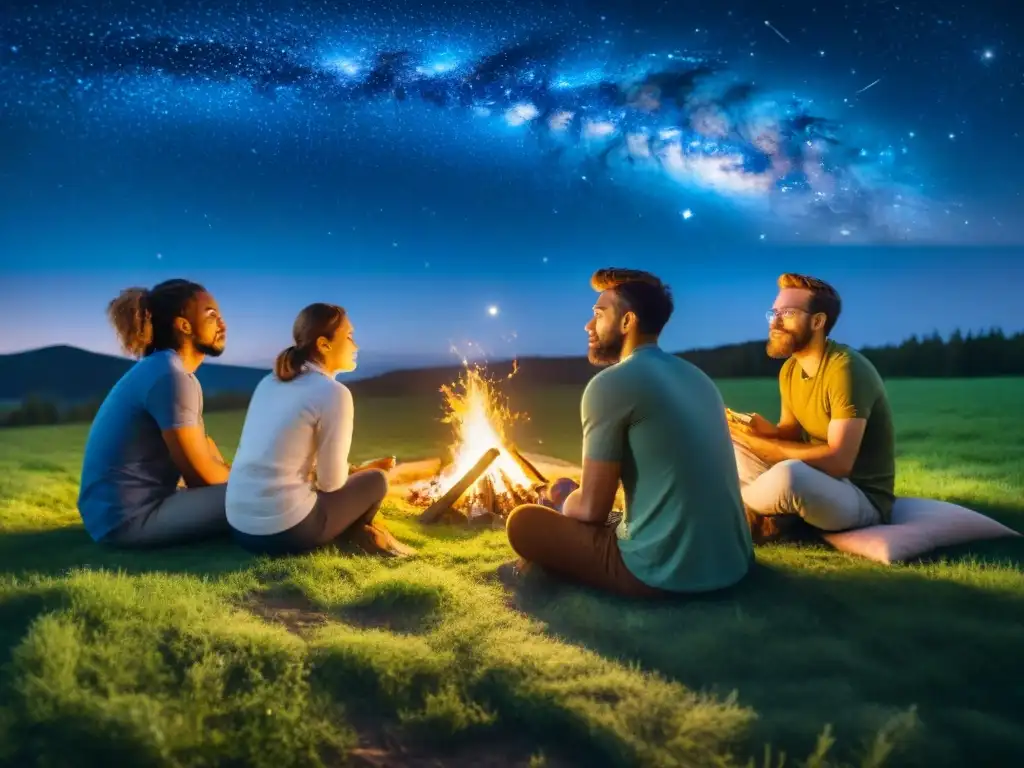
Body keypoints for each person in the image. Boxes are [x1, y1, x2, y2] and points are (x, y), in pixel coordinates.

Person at [504, 268, 754, 597]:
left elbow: (593, 508)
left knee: (524, 522)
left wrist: (565, 502)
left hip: (664, 573)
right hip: (733, 563)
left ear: (627, 322)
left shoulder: (610, 384)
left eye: (598, 314)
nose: (588, 325)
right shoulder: (698, 378)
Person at [226, 302, 413, 557]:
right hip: (284, 532)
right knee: (376, 481)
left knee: (361, 477)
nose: (355, 345)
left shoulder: (268, 382)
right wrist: (359, 473)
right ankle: (354, 536)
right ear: (324, 344)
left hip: (240, 527)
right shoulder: (333, 393)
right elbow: (331, 483)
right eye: (349, 336)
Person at [728, 273, 895, 542]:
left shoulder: (846, 368)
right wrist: (761, 431)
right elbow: (791, 434)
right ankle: (765, 511)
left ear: (817, 321)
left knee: (789, 476)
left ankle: (732, 507)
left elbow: (840, 462)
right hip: (816, 478)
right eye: (774, 313)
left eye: (788, 313)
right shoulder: (790, 369)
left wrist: (764, 447)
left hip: (858, 494)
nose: (776, 322)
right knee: (727, 443)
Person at [77, 279, 232, 547]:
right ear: (183, 325)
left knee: (259, 488)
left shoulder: (161, 369)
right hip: (130, 520)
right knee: (266, 496)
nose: (222, 324)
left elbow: (205, 451)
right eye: (211, 316)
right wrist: (255, 481)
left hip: (109, 516)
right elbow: (200, 475)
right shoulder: (171, 377)